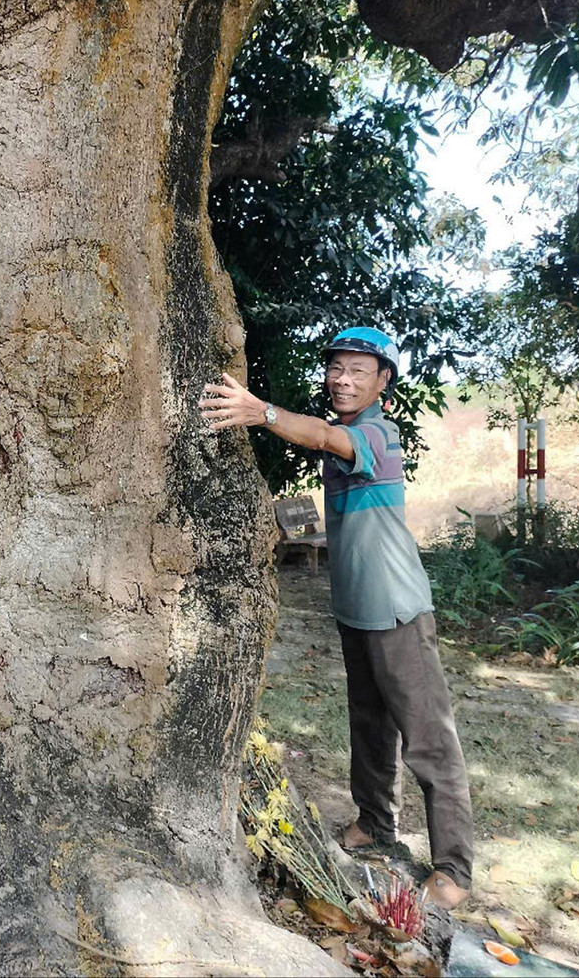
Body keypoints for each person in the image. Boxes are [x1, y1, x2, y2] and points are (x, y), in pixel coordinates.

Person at [198, 327, 473, 909]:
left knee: (427, 738)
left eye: (357, 370)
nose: (342, 379)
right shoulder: (345, 435)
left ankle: (454, 868)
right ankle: (375, 824)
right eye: (336, 368)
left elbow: (320, 434)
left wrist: (259, 411)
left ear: (383, 385)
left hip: (398, 611)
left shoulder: (376, 433)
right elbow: (325, 437)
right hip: (356, 611)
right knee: (371, 727)